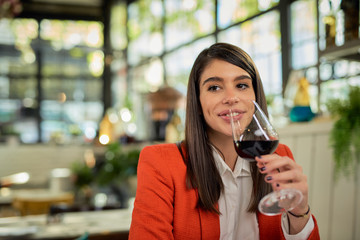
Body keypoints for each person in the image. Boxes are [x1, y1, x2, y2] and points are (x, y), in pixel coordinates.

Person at [129, 43, 320, 240]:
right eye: (214, 87)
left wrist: (299, 211)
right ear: (198, 101)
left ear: (255, 95)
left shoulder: (280, 157)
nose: (231, 98)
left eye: (241, 85)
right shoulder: (161, 162)